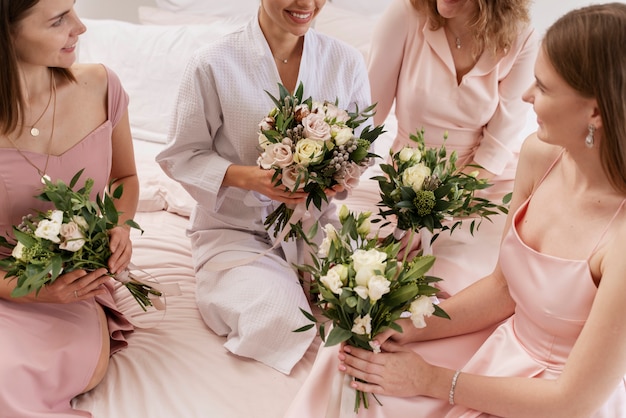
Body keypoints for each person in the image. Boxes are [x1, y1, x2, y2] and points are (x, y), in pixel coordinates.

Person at [285, 3, 626, 416]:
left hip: (554, 397)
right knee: (355, 366)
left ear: (595, 111)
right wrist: (407, 329)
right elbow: (504, 288)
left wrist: (428, 379)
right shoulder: (540, 157)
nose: (527, 96)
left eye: (545, 87)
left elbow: (572, 402)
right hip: (503, 342)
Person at [155, 0, 371, 374]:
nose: (306, 4)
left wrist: (331, 177)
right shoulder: (213, 63)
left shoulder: (346, 61)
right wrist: (249, 178)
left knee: (370, 309)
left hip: (317, 226)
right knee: (281, 319)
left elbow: (360, 151)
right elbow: (181, 154)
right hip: (235, 231)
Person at [344, 0, 538, 298]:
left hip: (482, 182)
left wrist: (432, 214)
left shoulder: (521, 36)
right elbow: (369, 117)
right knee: (357, 263)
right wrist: (333, 167)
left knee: (479, 283)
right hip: (407, 180)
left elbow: (496, 147)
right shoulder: (406, 14)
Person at [0, 0, 137, 416]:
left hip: (74, 285)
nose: (80, 28)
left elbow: (124, 179)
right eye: (59, 20)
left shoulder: (101, 86)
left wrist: (121, 226)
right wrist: (27, 289)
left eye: (73, 10)